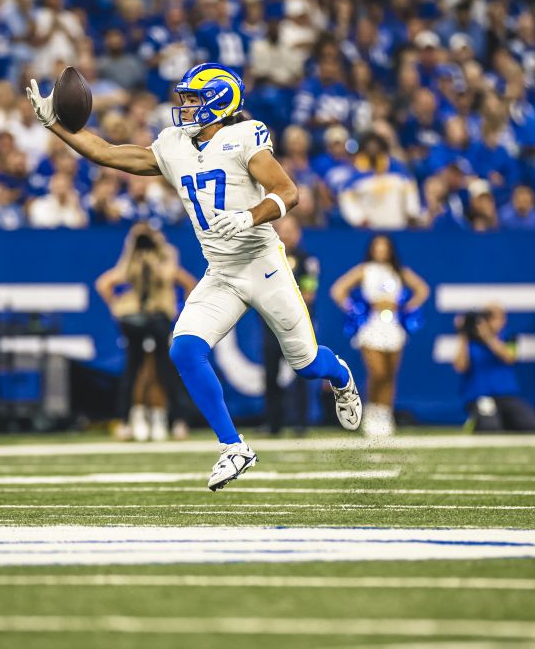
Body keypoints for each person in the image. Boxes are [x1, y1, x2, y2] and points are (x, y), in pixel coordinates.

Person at [27, 63, 363, 490]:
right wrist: (55, 124)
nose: (184, 106)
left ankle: (342, 378)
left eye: (192, 98)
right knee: (184, 349)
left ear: (221, 101)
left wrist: (249, 216)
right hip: (221, 272)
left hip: (263, 265)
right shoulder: (173, 145)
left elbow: (288, 192)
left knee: (307, 364)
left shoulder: (245, 137)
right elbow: (109, 152)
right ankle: (234, 447)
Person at [95, 223, 197, 442]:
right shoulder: (132, 255)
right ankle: (124, 420)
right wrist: (116, 305)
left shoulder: (166, 253)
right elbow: (109, 280)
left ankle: (178, 419)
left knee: (166, 369)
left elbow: (170, 277)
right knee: (132, 369)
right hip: (135, 317)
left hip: (159, 314)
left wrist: (180, 310)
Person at [330, 234, 430, 437]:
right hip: (372, 325)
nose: (381, 251)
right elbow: (338, 289)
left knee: (390, 374)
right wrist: (354, 309)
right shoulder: (364, 270)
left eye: (385, 247)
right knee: (377, 372)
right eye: (378, 246)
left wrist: (407, 307)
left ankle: (385, 414)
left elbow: (422, 289)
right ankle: (372, 412)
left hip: (393, 325)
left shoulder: (399, 272)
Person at [265, 217, 320, 435]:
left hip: (297, 324)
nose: (286, 234)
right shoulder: (267, 258)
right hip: (270, 324)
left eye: (290, 230)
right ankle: (273, 423)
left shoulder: (307, 260)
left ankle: (301, 422)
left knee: (302, 372)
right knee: (270, 375)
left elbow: (308, 293)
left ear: (299, 233)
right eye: (282, 230)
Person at [452, 304, 535, 433]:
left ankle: (504, 420)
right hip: (481, 396)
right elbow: (460, 366)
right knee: (490, 428)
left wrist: (488, 337)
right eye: (487, 316)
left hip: (506, 396)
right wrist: (462, 335)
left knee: (533, 425)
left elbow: (509, 358)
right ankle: (474, 421)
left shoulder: (509, 337)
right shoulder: (471, 341)